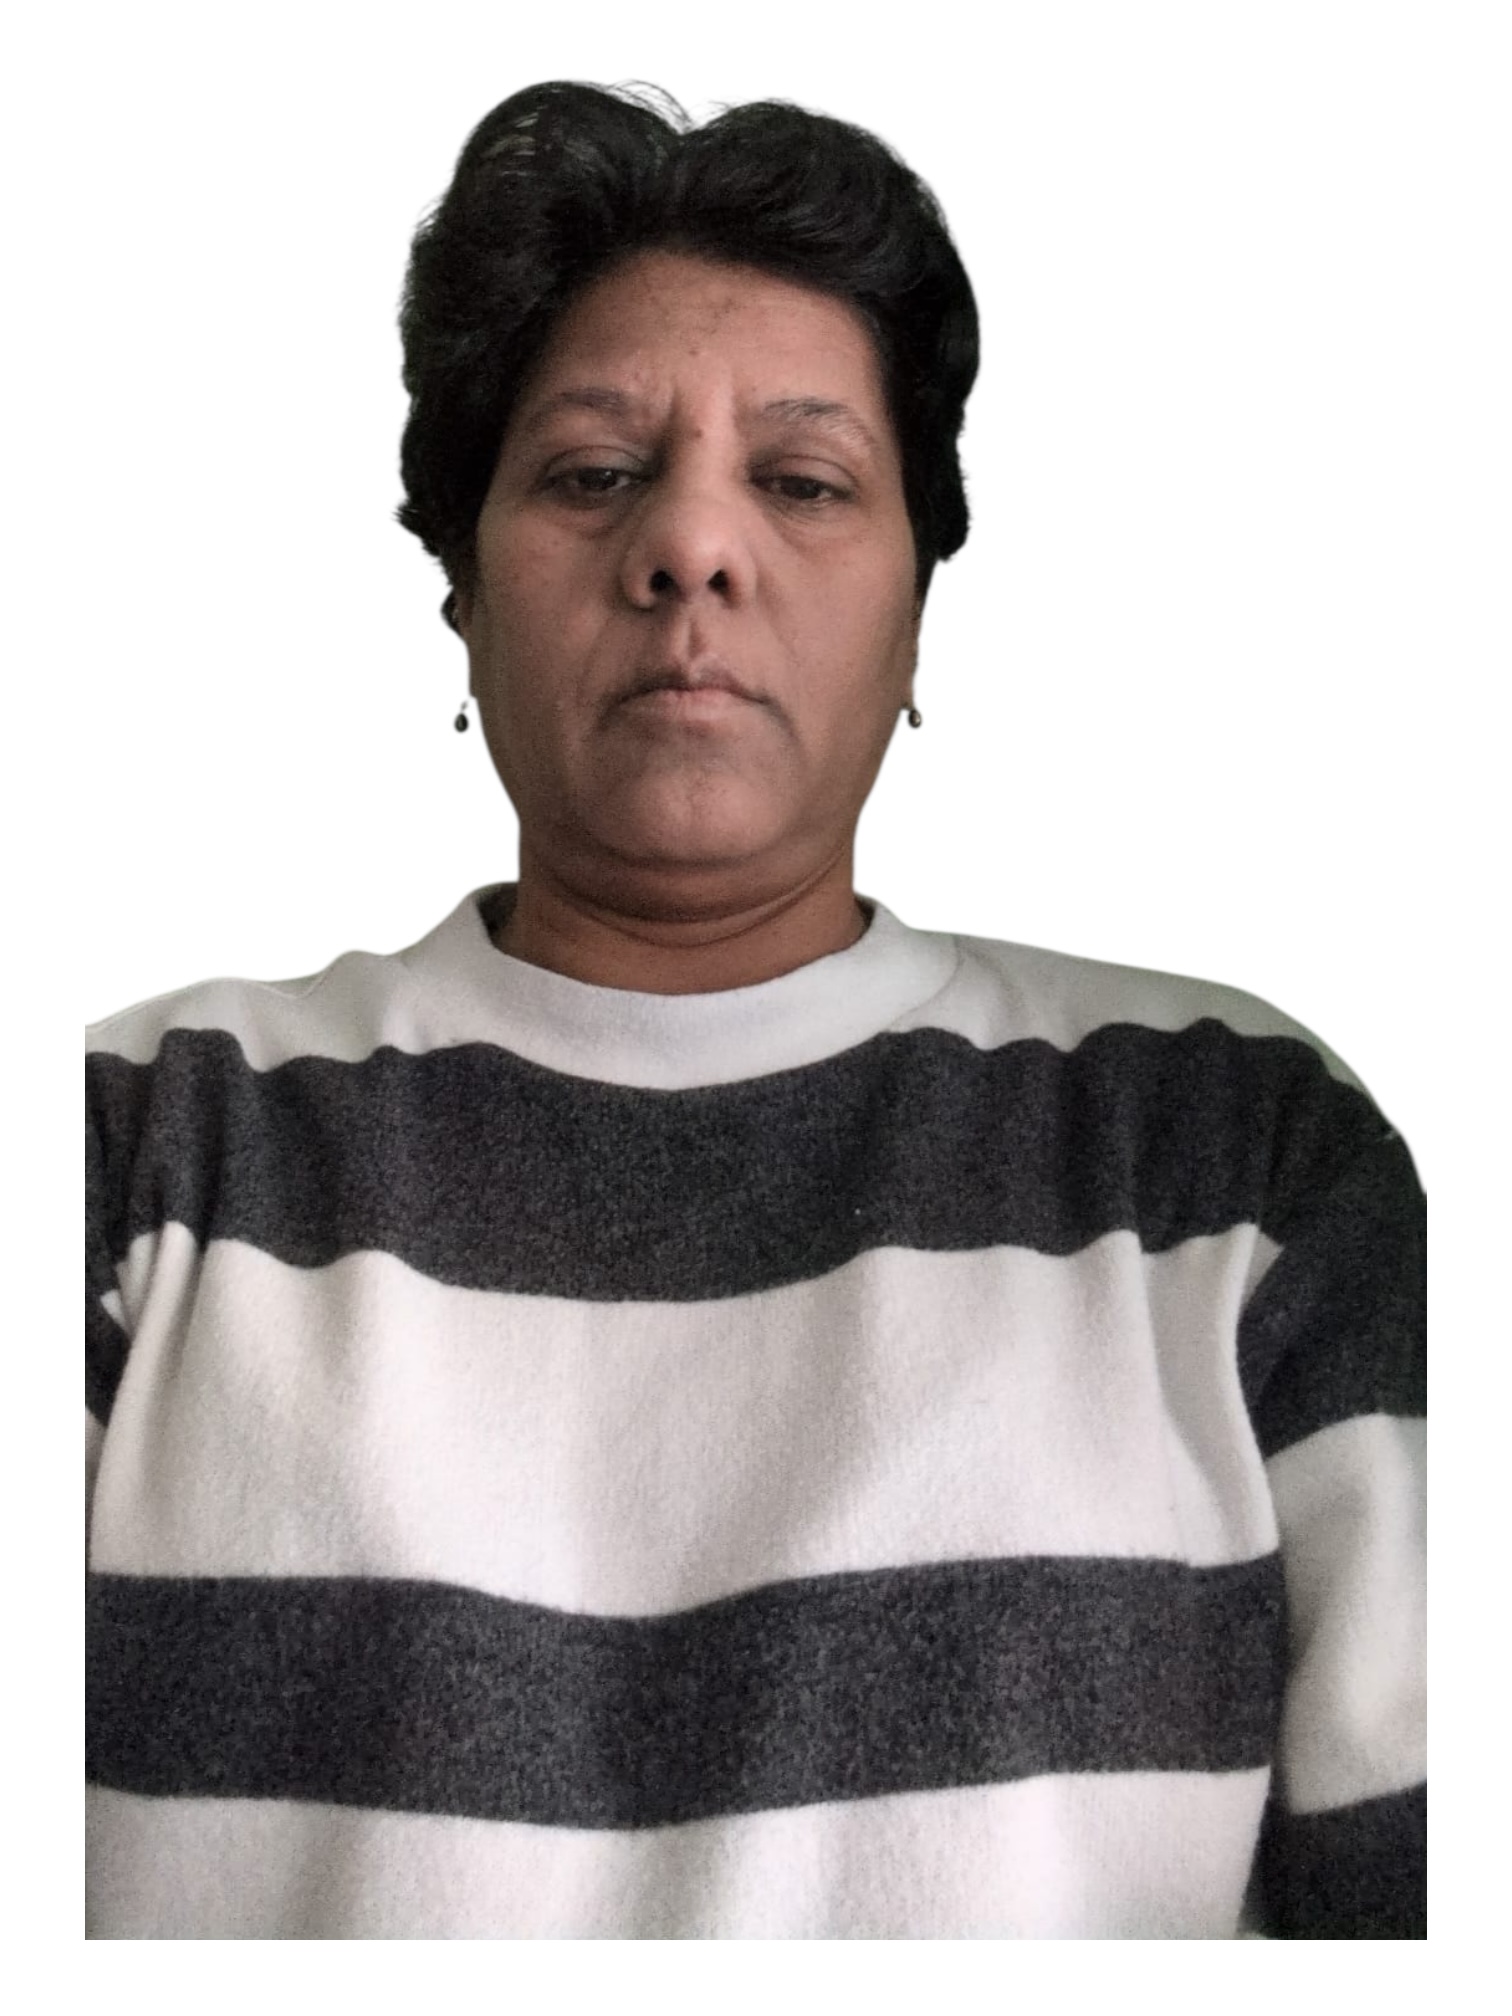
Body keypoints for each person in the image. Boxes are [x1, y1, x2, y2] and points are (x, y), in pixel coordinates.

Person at [85, 80, 1425, 1939]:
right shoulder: (136, 1150)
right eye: (591, 473)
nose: (692, 549)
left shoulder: (1233, 1167)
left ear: (918, 605)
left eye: (801, 482)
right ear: (461, 594)